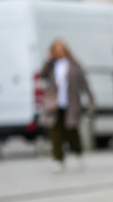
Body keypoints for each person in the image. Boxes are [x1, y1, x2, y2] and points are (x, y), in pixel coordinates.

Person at [39, 40, 95, 173]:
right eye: (56, 49)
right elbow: (42, 75)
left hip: (71, 103)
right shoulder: (51, 66)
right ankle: (58, 159)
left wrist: (91, 99)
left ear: (66, 50)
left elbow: (84, 83)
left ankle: (78, 153)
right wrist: (48, 59)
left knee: (71, 131)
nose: (59, 51)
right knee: (55, 133)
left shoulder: (74, 65)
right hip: (54, 105)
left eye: (61, 48)